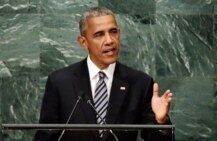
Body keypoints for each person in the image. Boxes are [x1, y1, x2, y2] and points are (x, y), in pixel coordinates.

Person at [34, 7, 173, 141]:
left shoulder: (140, 83)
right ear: (83, 42)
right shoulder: (60, 82)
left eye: (113, 32)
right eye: (99, 34)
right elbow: (45, 136)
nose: (109, 40)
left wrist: (161, 122)